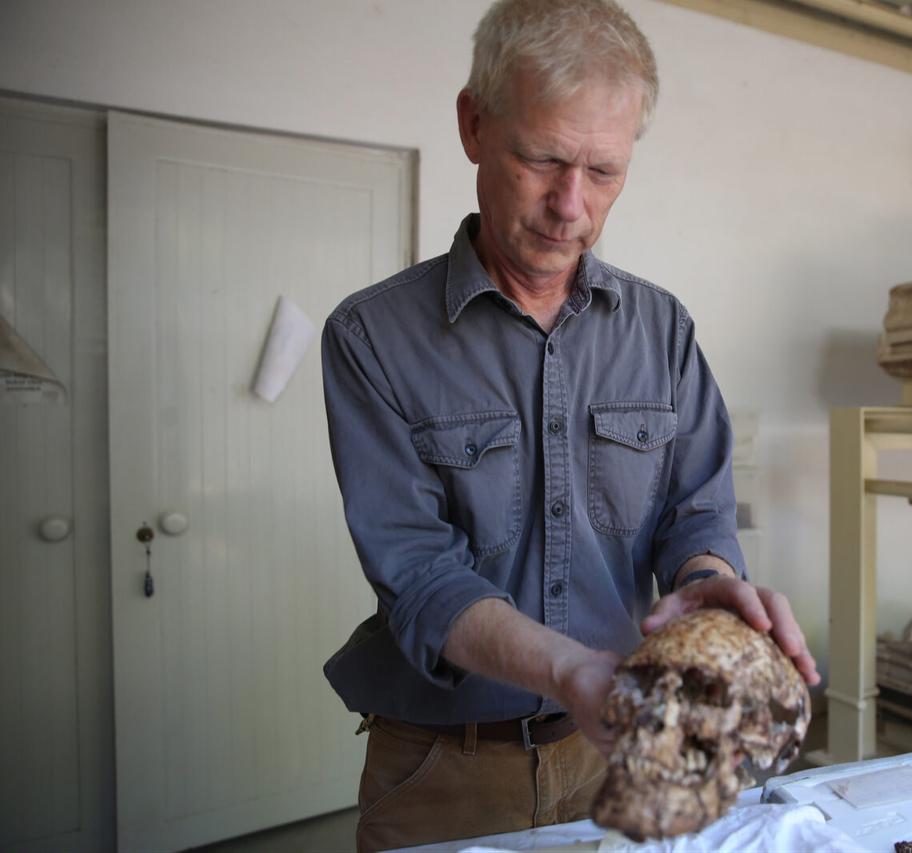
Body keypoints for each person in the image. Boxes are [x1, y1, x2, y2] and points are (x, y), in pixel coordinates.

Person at [320, 1, 819, 850]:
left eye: (604, 171)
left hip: (617, 759)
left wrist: (706, 579)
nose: (570, 206)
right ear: (473, 125)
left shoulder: (661, 332)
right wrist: (576, 670)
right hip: (445, 770)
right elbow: (420, 578)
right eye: (543, 159)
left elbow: (693, 512)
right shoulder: (372, 338)